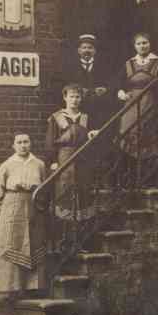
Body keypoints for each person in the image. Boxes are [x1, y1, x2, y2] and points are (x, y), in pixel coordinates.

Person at [0, 134, 47, 300]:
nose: (23, 145)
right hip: (12, 205)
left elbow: (45, 187)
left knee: (34, 242)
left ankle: (33, 286)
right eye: (19, 142)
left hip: (33, 205)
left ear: (31, 144)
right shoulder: (6, 165)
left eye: (26, 142)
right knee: (11, 242)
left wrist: (38, 197)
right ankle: (11, 287)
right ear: (14, 146)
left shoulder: (39, 164)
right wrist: (7, 206)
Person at [117, 33, 158, 166]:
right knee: (130, 130)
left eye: (145, 43)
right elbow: (120, 84)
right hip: (132, 103)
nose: (142, 46)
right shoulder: (129, 63)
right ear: (134, 46)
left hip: (151, 102)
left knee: (149, 132)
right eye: (139, 44)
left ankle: (149, 169)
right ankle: (132, 168)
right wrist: (121, 92)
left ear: (150, 44)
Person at [45, 84, 99, 220]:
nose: (74, 100)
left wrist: (92, 135)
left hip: (83, 159)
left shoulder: (86, 117)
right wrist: (53, 161)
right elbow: (50, 142)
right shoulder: (56, 117)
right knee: (64, 190)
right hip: (64, 159)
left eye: (77, 97)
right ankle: (64, 224)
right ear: (65, 98)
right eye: (71, 96)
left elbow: (91, 140)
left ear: (81, 99)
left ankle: (82, 223)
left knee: (83, 189)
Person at [64, 34, 115, 130]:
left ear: (95, 51)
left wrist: (105, 89)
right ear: (79, 50)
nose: (87, 50)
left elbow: (112, 83)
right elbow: (65, 85)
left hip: (99, 109)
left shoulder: (104, 66)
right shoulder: (70, 67)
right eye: (84, 48)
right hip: (79, 108)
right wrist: (78, 90)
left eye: (90, 48)